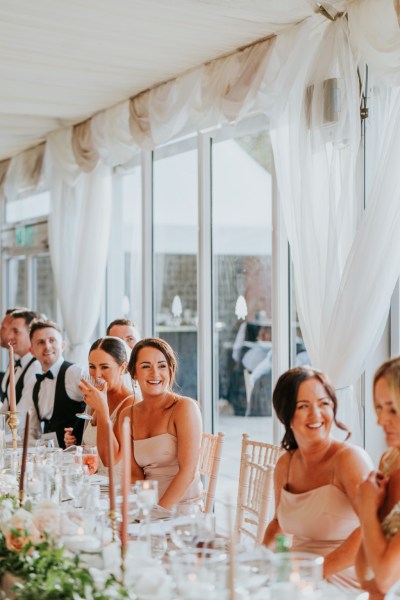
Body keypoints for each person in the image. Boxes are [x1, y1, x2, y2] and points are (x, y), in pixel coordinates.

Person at [263, 367, 372, 593]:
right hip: (298, 581)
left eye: (324, 403)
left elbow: (372, 529)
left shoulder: (349, 459)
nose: (316, 415)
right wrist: (259, 559)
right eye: (304, 406)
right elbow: (279, 524)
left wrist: (315, 574)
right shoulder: (285, 464)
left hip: (346, 584)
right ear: (286, 413)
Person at [95, 337, 203, 509]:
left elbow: (187, 473)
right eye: (146, 366)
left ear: (170, 369)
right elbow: (134, 474)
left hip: (182, 507)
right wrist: (142, 510)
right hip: (148, 507)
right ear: (134, 373)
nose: (155, 374)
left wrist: (158, 512)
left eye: (162, 366)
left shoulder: (184, 408)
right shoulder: (128, 414)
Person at [355, 357, 400, 598]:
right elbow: (363, 570)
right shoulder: (389, 461)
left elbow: (383, 578)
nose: (381, 420)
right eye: (379, 407)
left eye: (392, 409)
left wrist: (366, 509)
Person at [64, 336, 136, 475]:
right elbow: (92, 449)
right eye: (92, 367)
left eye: (104, 367)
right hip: (95, 482)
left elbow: (110, 459)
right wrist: (74, 446)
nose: (97, 375)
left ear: (122, 367)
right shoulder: (96, 398)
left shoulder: (131, 403)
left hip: (119, 488)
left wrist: (102, 408)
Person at [17, 319, 85, 448]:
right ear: (32, 351)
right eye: (40, 342)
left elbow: (95, 406)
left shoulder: (74, 372)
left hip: (74, 455)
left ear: (63, 345)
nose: (47, 346)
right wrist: (35, 446)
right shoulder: (34, 383)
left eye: (52, 340)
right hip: (49, 458)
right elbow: (30, 427)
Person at [0, 309, 41, 411]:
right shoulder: (17, 362)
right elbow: (6, 405)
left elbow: (22, 414)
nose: (9, 336)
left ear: (31, 334)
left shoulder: (36, 367)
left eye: (15, 331)